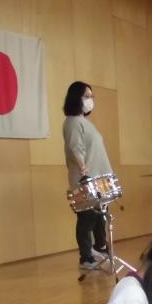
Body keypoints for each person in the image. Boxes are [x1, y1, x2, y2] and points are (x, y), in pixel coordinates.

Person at [63, 81, 113, 270]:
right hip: (85, 179)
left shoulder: (85, 122)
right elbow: (75, 146)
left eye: (92, 96)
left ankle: (99, 248)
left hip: (99, 178)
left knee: (100, 216)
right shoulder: (72, 122)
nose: (90, 100)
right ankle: (85, 257)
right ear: (76, 98)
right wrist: (83, 168)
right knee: (87, 218)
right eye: (86, 96)